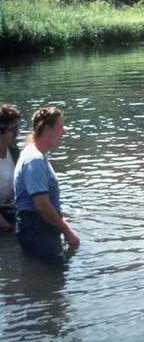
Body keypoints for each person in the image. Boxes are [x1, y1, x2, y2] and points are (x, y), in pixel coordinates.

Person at [14, 107, 80, 262]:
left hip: (36, 227)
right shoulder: (35, 160)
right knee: (55, 278)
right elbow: (42, 205)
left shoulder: (33, 153)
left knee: (49, 278)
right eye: (60, 127)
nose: (64, 132)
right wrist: (68, 232)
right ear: (48, 129)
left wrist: (61, 223)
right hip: (38, 229)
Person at [0, 104, 21, 232]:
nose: (17, 132)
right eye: (14, 129)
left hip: (11, 208)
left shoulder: (14, 152)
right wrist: (8, 228)